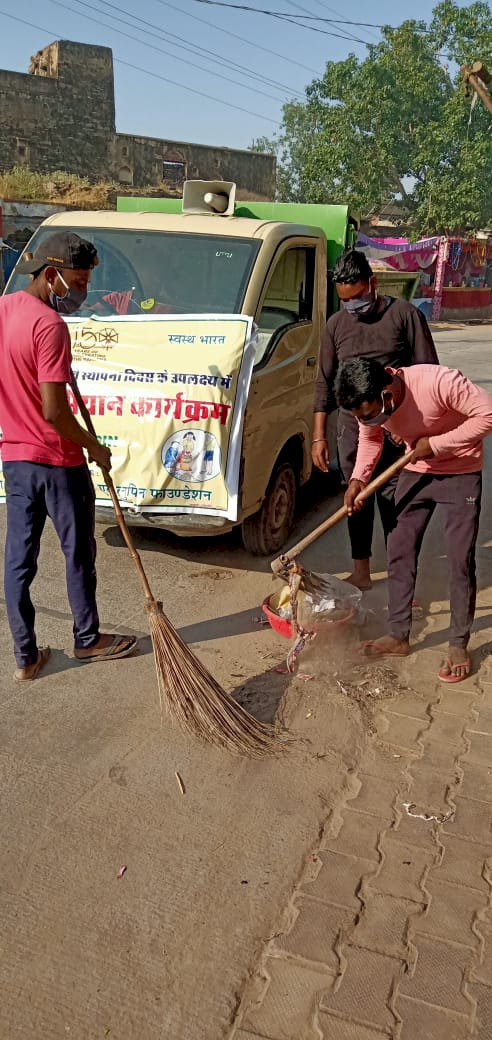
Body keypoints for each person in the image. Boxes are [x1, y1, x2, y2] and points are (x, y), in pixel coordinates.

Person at [0, 231, 138, 681]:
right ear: (53, 275)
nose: (82, 292)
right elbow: (55, 411)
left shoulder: (3, 313)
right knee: (78, 551)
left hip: (15, 460)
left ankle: (25, 657)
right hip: (58, 462)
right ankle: (86, 639)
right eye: (78, 282)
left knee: (19, 561)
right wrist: (94, 447)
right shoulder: (50, 326)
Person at [335, 357, 492, 683]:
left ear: (387, 392)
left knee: (460, 559)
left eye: (370, 413)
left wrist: (435, 444)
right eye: (361, 417)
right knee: (400, 550)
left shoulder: (439, 382)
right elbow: (371, 438)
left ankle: (458, 643)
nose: (369, 420)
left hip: (461, 472)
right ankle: (398, 635)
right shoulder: (371, 407)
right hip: (416, 472)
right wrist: (358, 480)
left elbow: (487, 414)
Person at [312, 248, 439, 590]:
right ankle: (361, 570)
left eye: (357, 297)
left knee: (398, 502)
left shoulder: (405, 315)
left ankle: (402, 577)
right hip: (355, 430)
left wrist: (413, 428)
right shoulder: (336, 325)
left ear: (373, 283)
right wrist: (319, 436)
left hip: (399, 428)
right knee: (358, 497)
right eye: (345, 300)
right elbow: (325, 381)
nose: (352, 306)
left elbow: (427, 373)